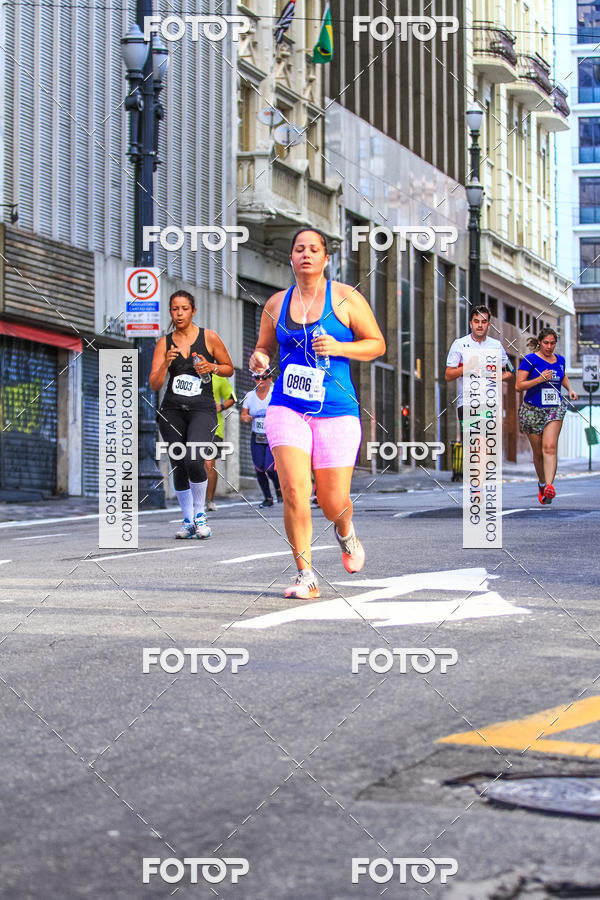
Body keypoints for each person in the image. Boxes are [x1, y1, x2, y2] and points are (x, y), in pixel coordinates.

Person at [249, 228, 385, 600]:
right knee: (294, 489)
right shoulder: (276, 303)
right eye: (299, 249)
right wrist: (260, 359)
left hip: (337, 409)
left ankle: (345, 531)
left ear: (326, 259)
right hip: (287, 406)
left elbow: (377, 344)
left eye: (314, 249)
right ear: (291, 258)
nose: (306, 254)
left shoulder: (345, 298)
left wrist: (340, 346)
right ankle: (306, 576)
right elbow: (263, 349)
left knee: (332, 501)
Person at [150, 290, 234, 538]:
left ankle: (200, 515)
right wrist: (166, 363)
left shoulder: (209, 337)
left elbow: (229, 368)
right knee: (178, 462)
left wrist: (213, 367)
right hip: (172, 410)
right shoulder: (164, 343)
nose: (179, 313)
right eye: (174, 309)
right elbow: (154, 383)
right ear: (170, 312)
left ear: (193, 310)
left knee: (195, 458)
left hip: (202, 409)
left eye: (184, 308)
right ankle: (187, 521)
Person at [515, 328, 578, 504]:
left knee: (549, 447)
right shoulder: (530, 360)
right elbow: (519, 386)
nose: (549, 347)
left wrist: (570, 390)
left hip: (554, 408)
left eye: (552, 343)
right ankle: (542, 484)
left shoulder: (560, 360)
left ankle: (550, 486)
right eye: (546, 343)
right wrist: (540, 379)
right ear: (540, 342)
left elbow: (562, 376)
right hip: (532, 409)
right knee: (538, 453)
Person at [445, 305, 513, 428]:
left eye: (483, 322)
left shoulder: (496, 345)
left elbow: (511, 370)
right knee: (474, 444)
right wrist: (468, 366)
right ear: (471, 323)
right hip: (467, 403)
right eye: (476, 322)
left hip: (490, 402)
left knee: (484, 442)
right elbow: (448, 375)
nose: (480, 325)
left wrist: (499, 377)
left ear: (489, 324)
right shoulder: (460, 344)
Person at [241, 370, 282, 508]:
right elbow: (243, 414)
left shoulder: (275, 393)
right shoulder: (250, 396)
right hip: (257, 436)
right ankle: (267, 497)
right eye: (257, 378)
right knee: (259, 467)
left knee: (270, 468)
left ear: (270, 378)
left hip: (272, 435)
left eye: (264, 377)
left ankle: (278, 488)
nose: (261, 380)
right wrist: (246, 417)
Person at [205, 374, 236, 512]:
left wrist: (222, 406)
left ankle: (209, 501)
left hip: (214, 428)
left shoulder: (218, 377)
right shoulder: (190, 374)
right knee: (192, 464)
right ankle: (196, 498)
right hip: (192, 426)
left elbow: (233, 398)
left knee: (209, 463)